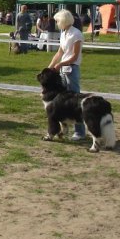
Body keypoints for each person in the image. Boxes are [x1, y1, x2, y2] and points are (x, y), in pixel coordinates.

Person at [48, 9, 86, 140]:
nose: (57, 23)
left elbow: (74, 56)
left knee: (75, 100)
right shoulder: (64, 33)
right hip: (64, 70)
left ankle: (80, 132)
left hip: (72, 69)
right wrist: (50, 66)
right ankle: (63, 129)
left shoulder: (76, 34)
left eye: (58, 20)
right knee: (63, 101)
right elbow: (59, 52)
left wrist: (60, 64)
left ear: (63, 20)